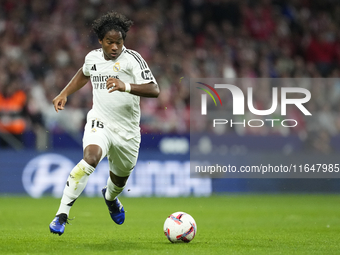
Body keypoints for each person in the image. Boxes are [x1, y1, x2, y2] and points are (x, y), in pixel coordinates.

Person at [49, 11, 160, 235]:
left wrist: (125, 85)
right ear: (101, 41)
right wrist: (64, 93)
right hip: (100, 120)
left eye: (119, 42)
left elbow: (154, 89)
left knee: (118, 182)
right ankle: (61, 214)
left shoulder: (132, 59)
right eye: (109, 42)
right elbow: (84, 72)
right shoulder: (93, 58)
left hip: (127, 132)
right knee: (90, 158)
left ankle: (110, 198)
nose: (115, 47)